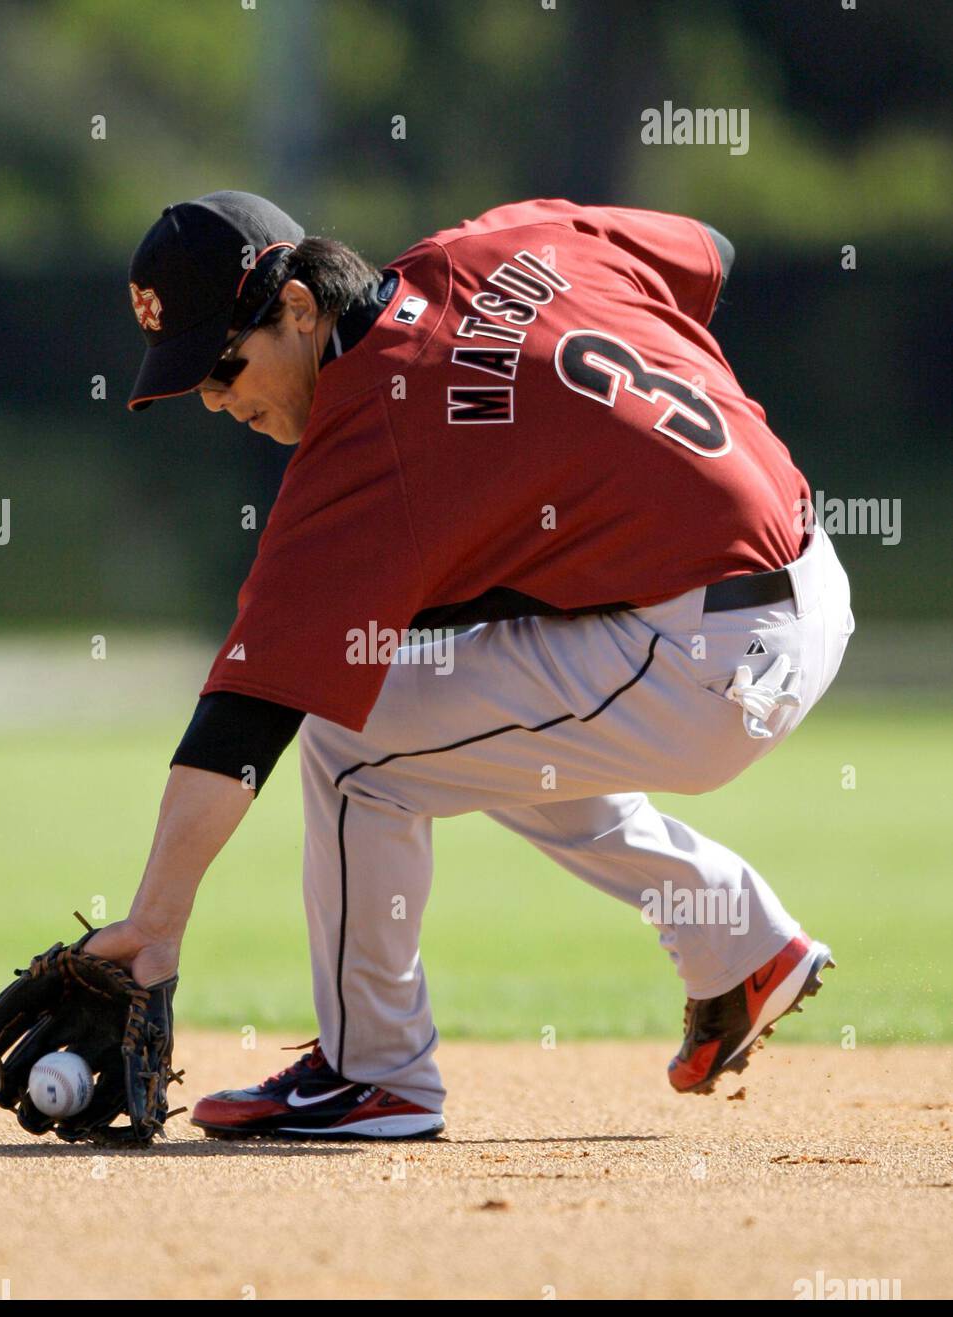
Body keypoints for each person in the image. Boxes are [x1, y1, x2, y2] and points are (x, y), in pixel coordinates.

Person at [87, 191, 853, 1139]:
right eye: (192, 381)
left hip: (707, 651)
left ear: (296, 310)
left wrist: (154, 922)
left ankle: (377, 1074)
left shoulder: (365, 451)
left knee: (358, 747)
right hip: (804, 573)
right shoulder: (500, 240)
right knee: (471, 728)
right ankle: (735, 944)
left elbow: (248, 711)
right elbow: (711, 250)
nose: (216, 398)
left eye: (223, 365)